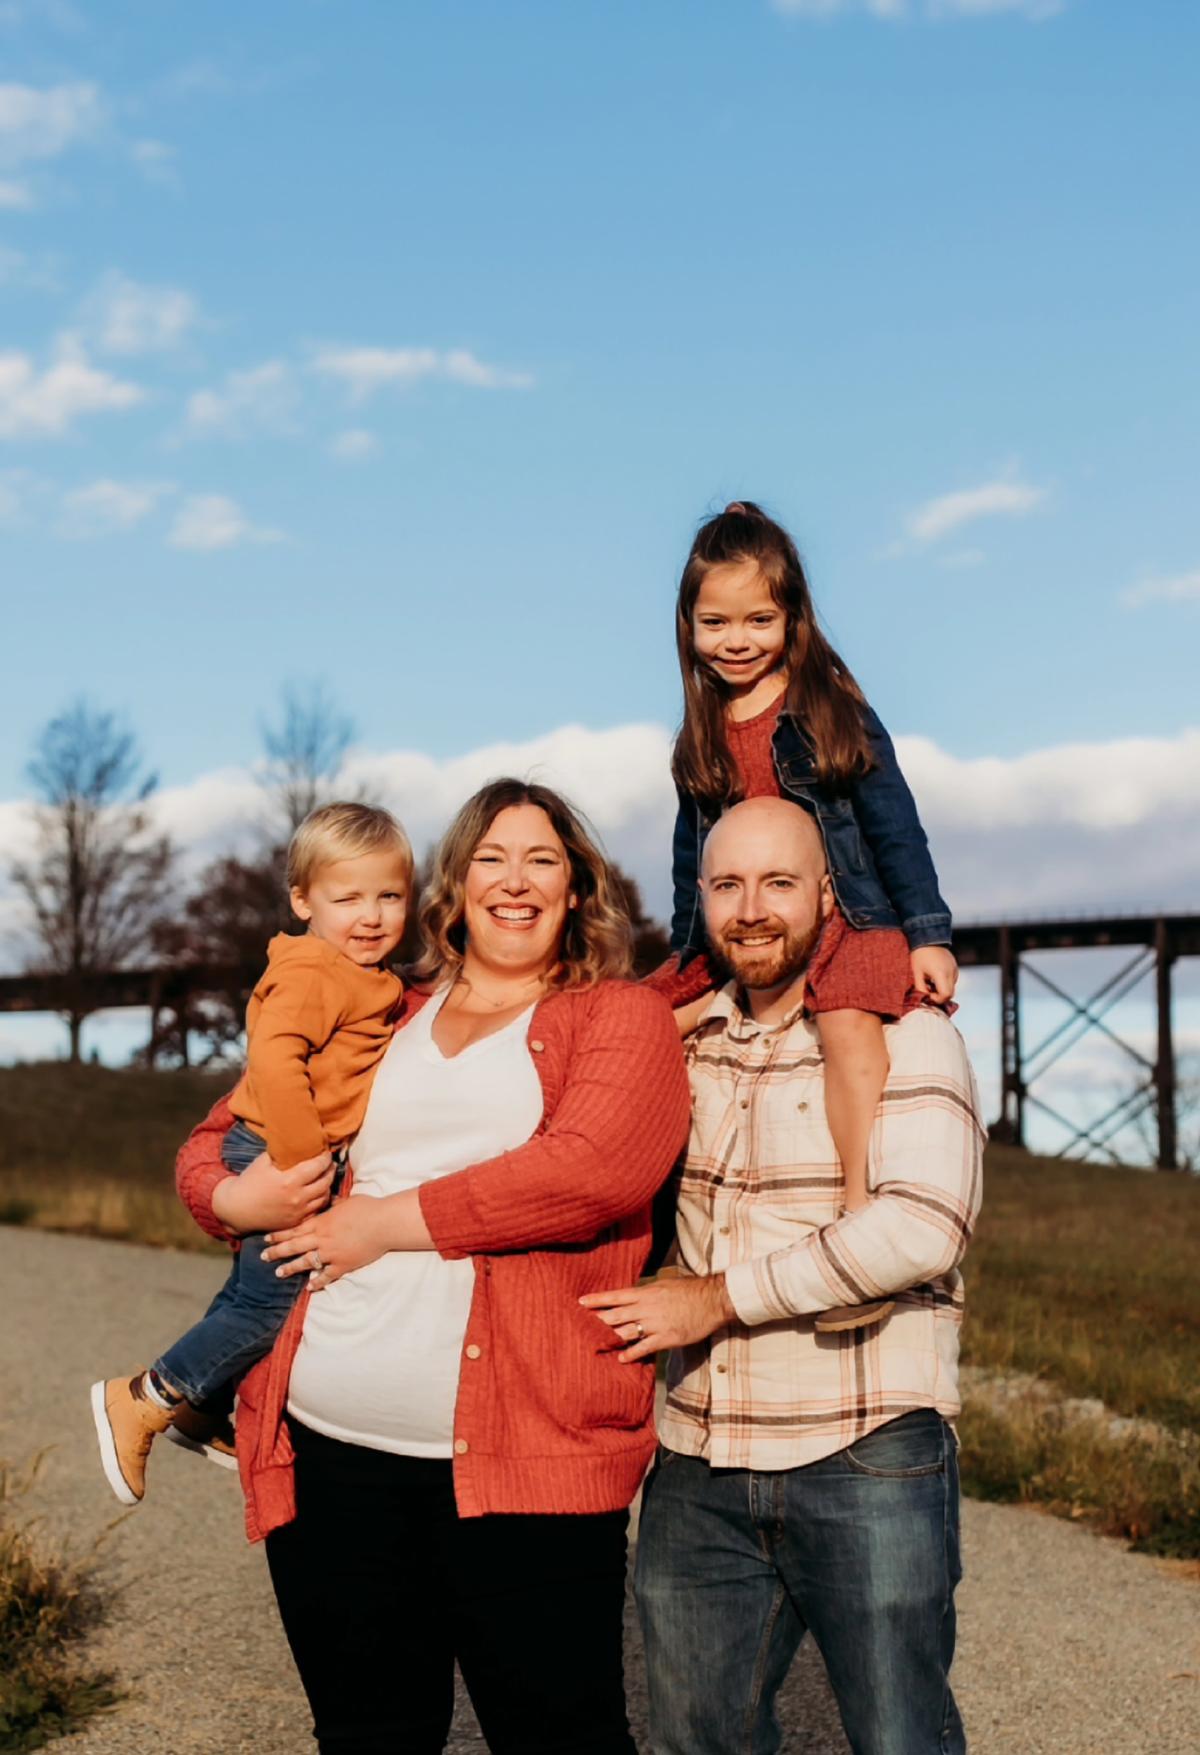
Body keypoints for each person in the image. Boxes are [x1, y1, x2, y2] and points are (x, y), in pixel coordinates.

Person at [174, 779, 691, 1755]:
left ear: (578, 888)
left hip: (527, 1468)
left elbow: (590, 1172)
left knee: (562, 1736)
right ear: (450, 889)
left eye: (543, 860)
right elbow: (219, 1139)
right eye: (490, 859)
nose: (515, 881)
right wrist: (233, 1200)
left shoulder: (617, 1018)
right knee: (369, 1734)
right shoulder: (383, 1010)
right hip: (328, 1458)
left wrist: (381, 1226)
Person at [584, 797, 984, 1755]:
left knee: (902, 1740)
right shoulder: (671, 1042)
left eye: (777, 883)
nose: (751, 908)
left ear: (826, 892)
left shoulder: (905, 1033)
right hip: (698, 1458)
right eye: (726, 884)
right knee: (695, 1742)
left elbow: (923, 1229)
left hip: (866, 1447)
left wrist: (715, 1296)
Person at [661, 499, 958, 1330]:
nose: (738, 638)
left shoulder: (828, 706)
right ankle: (658, 1232)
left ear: (793, 618)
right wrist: (687, 957)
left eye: (759, 617)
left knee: (850, 1025)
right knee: (645, 1020)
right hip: (747, 927)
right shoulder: (701, 735)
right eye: (716, 620)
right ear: (687, 625)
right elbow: (695, 860)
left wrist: (927, 933)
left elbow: (895, 825)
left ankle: (857, 1212)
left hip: (846, 914)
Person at [91, 802, 413, 1506]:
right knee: (269, 1306)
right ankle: (146, 1395)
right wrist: (305, 1163)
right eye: (347, 896)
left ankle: (203, 1408)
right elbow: (272, 1057)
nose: (372, 915)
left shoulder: (372, 975)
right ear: (302, 899)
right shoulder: (314, 972)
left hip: (281, 1146)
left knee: (247, 1291)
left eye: (389, 895)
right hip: (280, 1149)